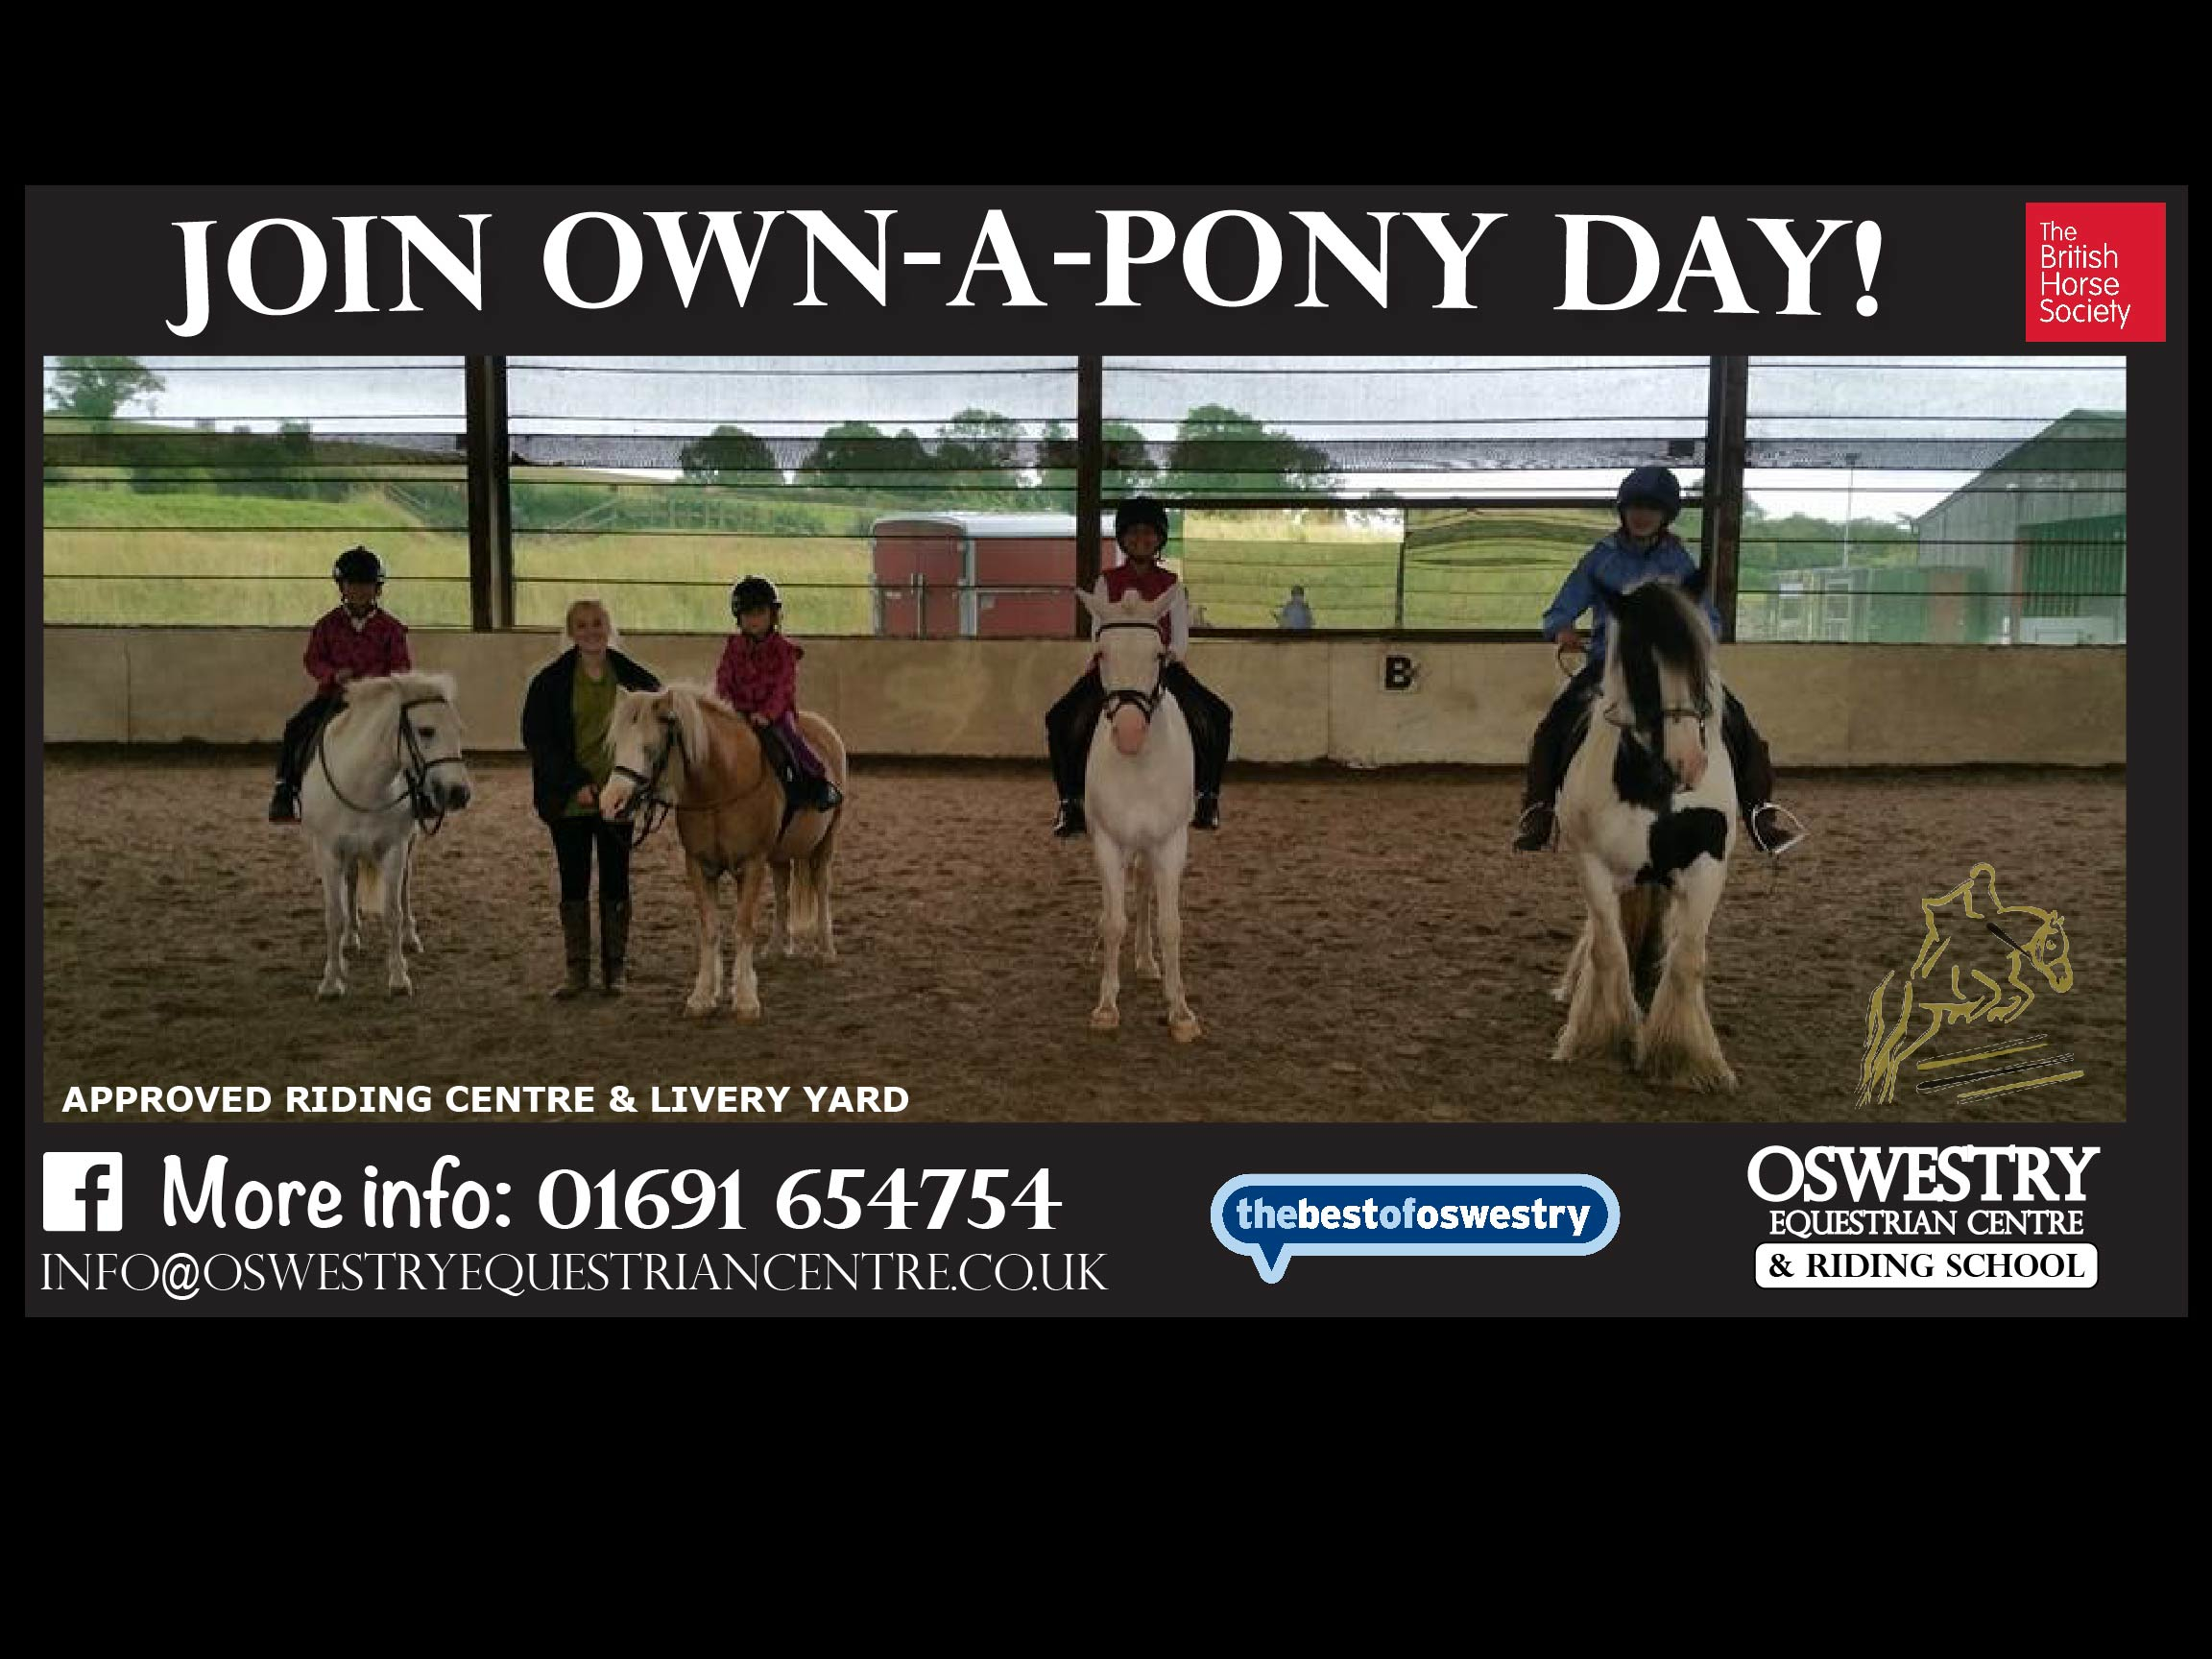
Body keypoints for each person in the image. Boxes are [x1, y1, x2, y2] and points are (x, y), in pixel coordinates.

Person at [1513, 466, 1805, 855]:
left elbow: (1709, 619)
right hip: (1612, 666)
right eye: (1635, 506)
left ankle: (1760, 814)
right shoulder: (1600, 559)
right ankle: (1539, 809)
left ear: (1665, 515)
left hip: (1673, 668)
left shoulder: (1680, 563)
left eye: (1651, 508)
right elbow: (1559, 611)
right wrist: (1562, 629)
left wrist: (1693, 642)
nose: (1641, 515)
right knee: (1555, 724)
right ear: (1622, 510)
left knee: (1740, 725)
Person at [1045, 496, 1235, 836]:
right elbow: (1097, 632)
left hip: (1160, 666)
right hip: (1115, 667)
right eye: (1133, 534)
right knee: (1061, 718)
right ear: (1122, 539)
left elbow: (1179, 638)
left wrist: (1165, 657)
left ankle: (1207, 796)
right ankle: (1070, 801)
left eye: (1149, 534)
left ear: (1160, 538)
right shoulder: (1106, 582)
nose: (1141, 540)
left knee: (1216, 715)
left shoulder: (1172, 584)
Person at [521, 599, 662, 998]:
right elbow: (538, 739)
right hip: (570, 799)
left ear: (608, 627)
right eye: (581, 625)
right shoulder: (548, 683)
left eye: (597, 623)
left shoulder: (637, 679)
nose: (590, 631)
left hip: (619, 795)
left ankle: (614, 969)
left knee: (616, 877)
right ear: (571, 632)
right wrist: (574, 783)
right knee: (574, 879)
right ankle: (577, 971)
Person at [269, 545, 412, 824]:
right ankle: (285, 791)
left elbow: (402, 667)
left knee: (411, 735)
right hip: (334, 698)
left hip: (376, 702)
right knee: (296, 727)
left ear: (377, 589)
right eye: (353, 585)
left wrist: (376, 683)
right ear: (342, 587)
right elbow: (313, 659)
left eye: (366, 585)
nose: (359, 591)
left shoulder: (392, 629)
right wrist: (333, 675)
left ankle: (421, 795)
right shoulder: (327, 625)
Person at [715, 575, 844, 813]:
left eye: (759, 613)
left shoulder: (785, 650)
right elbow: (724, 678)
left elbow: (784, 687)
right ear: (738, 618)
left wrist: (767, 714)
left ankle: (814, 779)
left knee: (790, 736)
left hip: (774, 713)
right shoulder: (733, 647)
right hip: (738, 711)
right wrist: (724, 705)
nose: (753, 620)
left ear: (772, 615)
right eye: (747, 614)